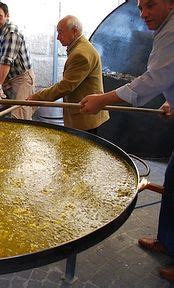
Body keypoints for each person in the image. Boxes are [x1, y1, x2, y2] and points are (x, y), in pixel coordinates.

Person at [80, 0, 174, 283]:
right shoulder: (165, 27)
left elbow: (150, 81)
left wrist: (102, 100)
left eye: (151, 5)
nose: (143, 14)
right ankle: (168, 241)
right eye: (140, 7)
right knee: (172, 182)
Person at [27, 15, 109, 133]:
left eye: (61, 33)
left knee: (81, 149)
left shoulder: (80, 54)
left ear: (74, 31)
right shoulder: (80, 48)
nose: (58, 38)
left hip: (85, 116)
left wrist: (37, 97)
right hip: (85, 113)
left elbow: (66, 86)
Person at [0, 2, 36, 120]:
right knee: (5, 114)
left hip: (21, 78)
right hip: (7, 76)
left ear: (7, 15)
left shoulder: (11, 32)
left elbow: (6, 61)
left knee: (20, 117)